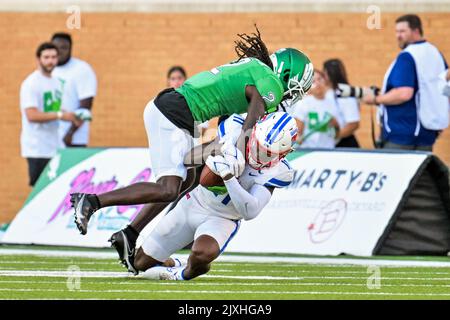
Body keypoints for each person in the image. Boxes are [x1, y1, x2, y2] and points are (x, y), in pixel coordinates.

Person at [71, 28, 313, 274]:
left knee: (188, 177)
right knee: (168, 188)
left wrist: (227, 150)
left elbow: (227, 113)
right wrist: (240, 151)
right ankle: (92, 201)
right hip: (176, 112)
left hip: (183, 114)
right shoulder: (269, 81)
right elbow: (253, 114)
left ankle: (129, 234)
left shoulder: (256, 69)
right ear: (286, 74)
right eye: (296, 88)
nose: (293, 96)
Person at [135, 112, 297, 280]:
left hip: (223, 218)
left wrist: (228, 177)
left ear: (285, 153)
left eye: (268, 153)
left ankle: (184, 273)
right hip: (195, 202)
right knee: (139, 263)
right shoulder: (234, 129)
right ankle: (173, 263)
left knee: (202, 253)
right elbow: (188, 158)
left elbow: (250, 211)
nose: (258, 153)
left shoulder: (280, 171)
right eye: (258, 145)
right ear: (253, 132)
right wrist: (215, 150)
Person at [363, 14, 449, 151]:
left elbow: (404, 93)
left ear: (416, 31)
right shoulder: (435, 53)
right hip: (427, 131)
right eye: (396, 32)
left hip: (402, 132)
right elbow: (443, 87)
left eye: (402, 31)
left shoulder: (408, 56)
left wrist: (375, 99)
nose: (398, 36)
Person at [20, 42, 81, 186]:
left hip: (54, 146)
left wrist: (71, 116)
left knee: (54, 188)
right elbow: (32, 115)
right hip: (37, 148)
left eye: (53, 57)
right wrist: (60, 115)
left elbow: (54, 109)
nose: (50, 61)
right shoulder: (31, 83)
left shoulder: (56, 82)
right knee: (39, 190)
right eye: (46, 57)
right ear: (38, 59)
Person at [51, 32, 97, 148]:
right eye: (56, 48)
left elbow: (85, 107)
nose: (60, 51)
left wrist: (70, 133)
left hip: (72, 140)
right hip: (49, 140)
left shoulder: (81, 70)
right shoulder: (47, 70)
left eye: (64, 48)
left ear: (70, 49)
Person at [290, 70, 339, 149]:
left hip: (329, 150)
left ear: (325, 80)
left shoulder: (332, 102)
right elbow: (297, 132)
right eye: (313, 81)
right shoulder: (304, 103)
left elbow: (337, 132)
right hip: (308, 151)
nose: (317, 83)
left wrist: (335, 125)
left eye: (320, 79)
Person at [323, 59, 360, 148]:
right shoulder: (327, 92)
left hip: (343, 144)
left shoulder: (344, 93)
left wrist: (334, 138)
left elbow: (353, 124)